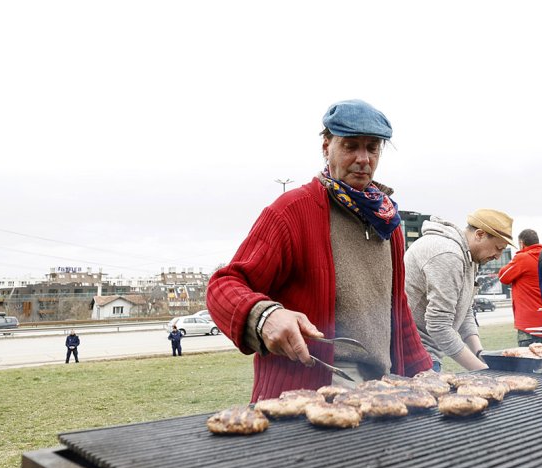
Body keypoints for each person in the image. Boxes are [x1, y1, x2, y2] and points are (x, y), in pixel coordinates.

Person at [206, 99, 432, 402]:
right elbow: (224, 284)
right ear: (326, 147)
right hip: (310, 392)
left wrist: (424, 371)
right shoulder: (291, 211)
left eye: (372, 147)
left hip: (382, 389)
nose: (363, 158)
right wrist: (264, 317)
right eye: (350, 146)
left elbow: (397, 310)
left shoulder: (386, 222)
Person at [405, 209, 513, 371]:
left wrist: (479, 353)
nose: (498, 256)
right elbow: (438, 325)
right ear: (480, 234)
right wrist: (483, 371)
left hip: (426, 352)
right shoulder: (448, 254)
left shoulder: (469, 256)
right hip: (412, 354)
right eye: (498, 248)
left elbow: (463, 309)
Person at [498, 229, 542, 346]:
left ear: (521, 243)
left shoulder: (523, 258)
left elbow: (503, 277)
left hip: (529, 323)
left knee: (529, 361)